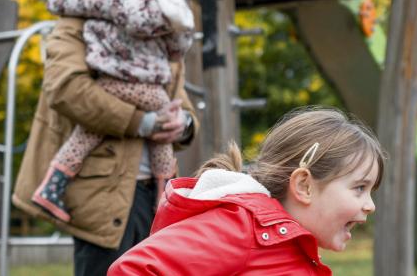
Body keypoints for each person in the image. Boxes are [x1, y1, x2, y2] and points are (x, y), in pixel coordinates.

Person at [12, 0, 198, 276]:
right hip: (101, 189)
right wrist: (141, 122)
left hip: (153, 193)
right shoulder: (85, 12)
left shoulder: (164, 28)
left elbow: (179, 100)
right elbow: (66, 88)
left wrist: (183, 124)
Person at [108, 107, 386, 275]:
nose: (369, 205)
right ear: (304, 186)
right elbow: (133, 270)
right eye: (359, 188)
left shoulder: (291, 247)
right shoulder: (241, 227)